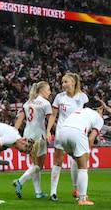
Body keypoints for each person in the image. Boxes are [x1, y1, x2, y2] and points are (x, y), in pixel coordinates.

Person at [55, 100, 109, 206]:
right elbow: (91, 138)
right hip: (77, 133)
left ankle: (77, 190)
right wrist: (87, 152)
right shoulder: (98, 118)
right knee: (83, 167)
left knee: (76, 160)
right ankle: (82, 198)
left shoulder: (79, 111)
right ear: (99, 109)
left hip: (62, 133)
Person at [46, 73, 88, 201]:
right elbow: (53, 115)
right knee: (58, 160)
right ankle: (53, 192)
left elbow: (86, 115)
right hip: (62, 132)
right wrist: (48, 130)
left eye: (66, 82)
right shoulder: (59, 97)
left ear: (73, 82)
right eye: (62, 82)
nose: (63, 84)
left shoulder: (83, 97)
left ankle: (76, 189)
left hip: (77, 132)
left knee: (77, 160)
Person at [13, 81, 52, 199]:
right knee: (39, 165)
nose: (50, 92)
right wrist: (49, 131)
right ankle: (20, 181)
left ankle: (38, 192)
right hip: (39, 135)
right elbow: (51, 119)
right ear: (42, 90)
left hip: (27, 135)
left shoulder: (27, 103)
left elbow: (20, 118)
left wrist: (14, 132)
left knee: (35, 165)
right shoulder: (45, 103)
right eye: (48, 90)